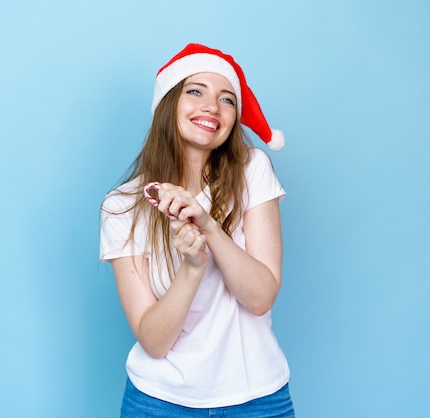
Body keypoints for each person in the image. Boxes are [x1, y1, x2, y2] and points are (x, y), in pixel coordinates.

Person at [99, 43, 294, 417]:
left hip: (257, 399)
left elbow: (260, 298)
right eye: (195, 91)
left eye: (227, 100)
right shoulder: (122, 205)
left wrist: (209, 225)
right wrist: (191, 267)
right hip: (157, 402)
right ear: (168, 102)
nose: (212, 107)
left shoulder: (253, 170)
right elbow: (155, 342)